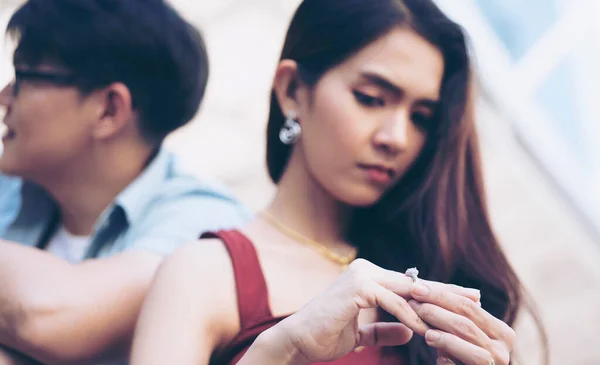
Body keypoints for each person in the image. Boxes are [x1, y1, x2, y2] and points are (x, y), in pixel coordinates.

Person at [130, 0, 544, 364]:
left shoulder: (433, 272)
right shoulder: (203, 273)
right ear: (292, 90)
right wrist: (281, 350)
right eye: (371, 98)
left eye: (421, 118)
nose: (396, 138)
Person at [0, 0, 250, 364]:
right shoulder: (13, 187)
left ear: (109, 109)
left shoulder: (203, 222)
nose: (4, 97)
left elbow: (50, 316)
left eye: (23, 77)